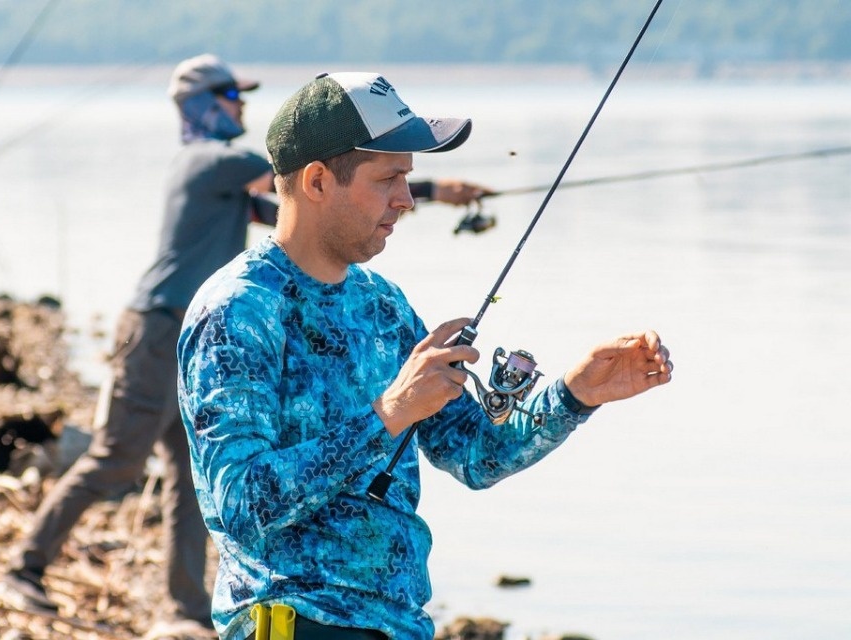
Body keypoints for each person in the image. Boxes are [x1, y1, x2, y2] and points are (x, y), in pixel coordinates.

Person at [1, 56, 490, 636]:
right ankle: (24, 566)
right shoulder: (213, 161)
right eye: (231, 95)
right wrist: (436, 190)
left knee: (189, 475)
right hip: (157, 327)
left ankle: (185, 607)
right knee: (118, 459)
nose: (241, 106)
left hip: (202, 328)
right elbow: (303, 174)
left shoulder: (350, 277)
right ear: (200, 103)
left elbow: (294, 209)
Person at [177, 71, 674, 640]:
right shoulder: (237, 310)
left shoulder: (382, 304)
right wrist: (389, 414)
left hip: (403, 625)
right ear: (317, 181)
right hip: (297, 623)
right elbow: (242, 504)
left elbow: (476, 456)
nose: (407, 200)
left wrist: (575, 394)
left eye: (408, 179)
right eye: (388, 178)